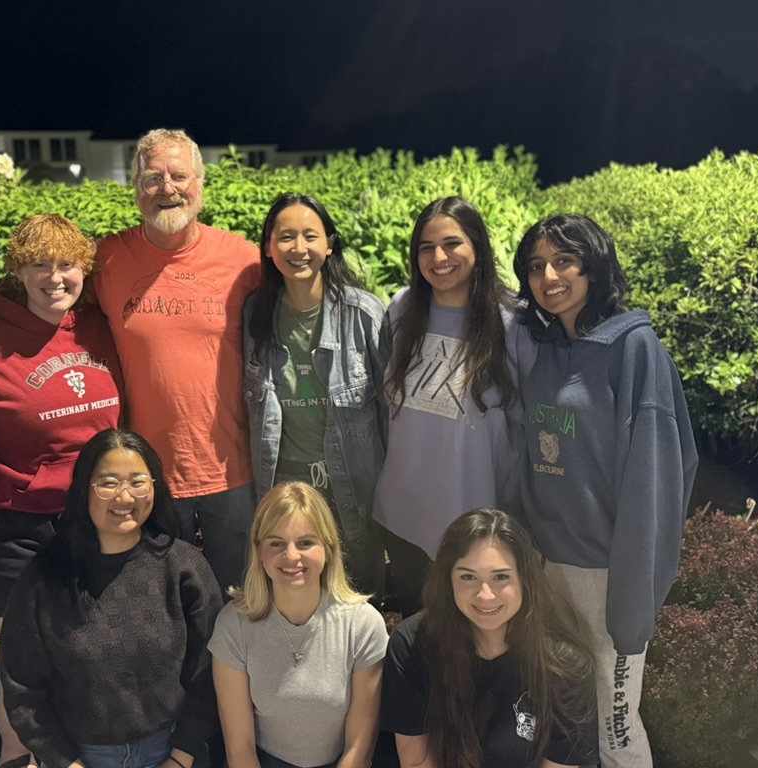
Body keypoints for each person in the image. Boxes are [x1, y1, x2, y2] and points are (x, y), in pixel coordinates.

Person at [512, 214, 698, 767]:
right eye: (536, 266)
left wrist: (635, 593)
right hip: (546, 568)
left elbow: (656, 478)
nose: (549, 276)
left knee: (616, 729)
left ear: (594, 266)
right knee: (564, 716)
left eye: (564, 261)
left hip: (606, 576)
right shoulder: (545, 347)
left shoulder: (636, 349)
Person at [0, 214, 123, 768]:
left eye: (66, 265)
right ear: (18, 269)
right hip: (16, 519)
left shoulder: (97, 328)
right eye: (40, 264)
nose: (55, 277)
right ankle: (18, 756)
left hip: (96, 515)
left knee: (87, 643)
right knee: (22, 654)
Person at [93, 128, 262, 593]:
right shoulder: (106, 260)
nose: (167, 189)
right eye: (152, 178)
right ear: (135, 190)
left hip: (232, 469)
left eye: (178, 176)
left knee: (242, 600)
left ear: (200, 186)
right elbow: (49, 296)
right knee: (161, 600)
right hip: (147, 473)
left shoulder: (244, 261)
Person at [0, 429, 223, 768]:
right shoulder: (45, 578)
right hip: (81, 758)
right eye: (108, 483)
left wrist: (181, 756)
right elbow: (22, 686)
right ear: (83, 489)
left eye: (137, 482)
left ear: (154, 487)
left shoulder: (184, 568)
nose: (124, 497)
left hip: (174, 753)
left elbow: (209, 671)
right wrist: (65, 762)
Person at [374, 196, 531, 616]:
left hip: (477, 523)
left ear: (477, 246)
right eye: (426, 247)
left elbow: (528, 427)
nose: (439, 257)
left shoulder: (514, 322)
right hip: (402, 514)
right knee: (419, 633)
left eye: (452, 243)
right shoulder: (403, 308)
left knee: (471, 638)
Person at [243, 193, 390, 599]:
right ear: (269, 247)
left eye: (310, 236)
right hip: (284, 489)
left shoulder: (364, 315)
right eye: (286, 237)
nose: (299, 248)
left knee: (358, 605)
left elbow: (390, 414)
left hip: (353, 490)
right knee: (294, 599)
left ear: (329, 244)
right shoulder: (253, 316)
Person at [381, 508, 598, 768]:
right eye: (468, 577)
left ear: (525, 580)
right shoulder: (411, 644)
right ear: (448, 581)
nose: (485, 595)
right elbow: (417, 762)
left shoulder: (566, 665)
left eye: (501, 577)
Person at [210, 482, 388, 768]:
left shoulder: (364, 625)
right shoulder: (234, 625)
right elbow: (239, 748)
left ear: (328, 548)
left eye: (305, 542)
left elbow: (360, 746)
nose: (291, 556)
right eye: (276, 543)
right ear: (258, 550)